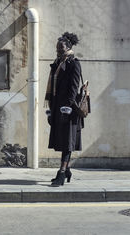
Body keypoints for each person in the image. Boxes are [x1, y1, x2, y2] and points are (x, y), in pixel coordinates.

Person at [45, 32, 83, 187]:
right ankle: (66, 170)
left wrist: (66, 109)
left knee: (68, 141)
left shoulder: (74, 63)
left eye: (61, 47)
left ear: (68, 47)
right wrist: (51, 109)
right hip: (57, 107)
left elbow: (74, 89)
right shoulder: (57, 62)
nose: (58, 50)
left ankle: (61, 172)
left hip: (69, 109)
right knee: (61, 140)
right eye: (57, 47)